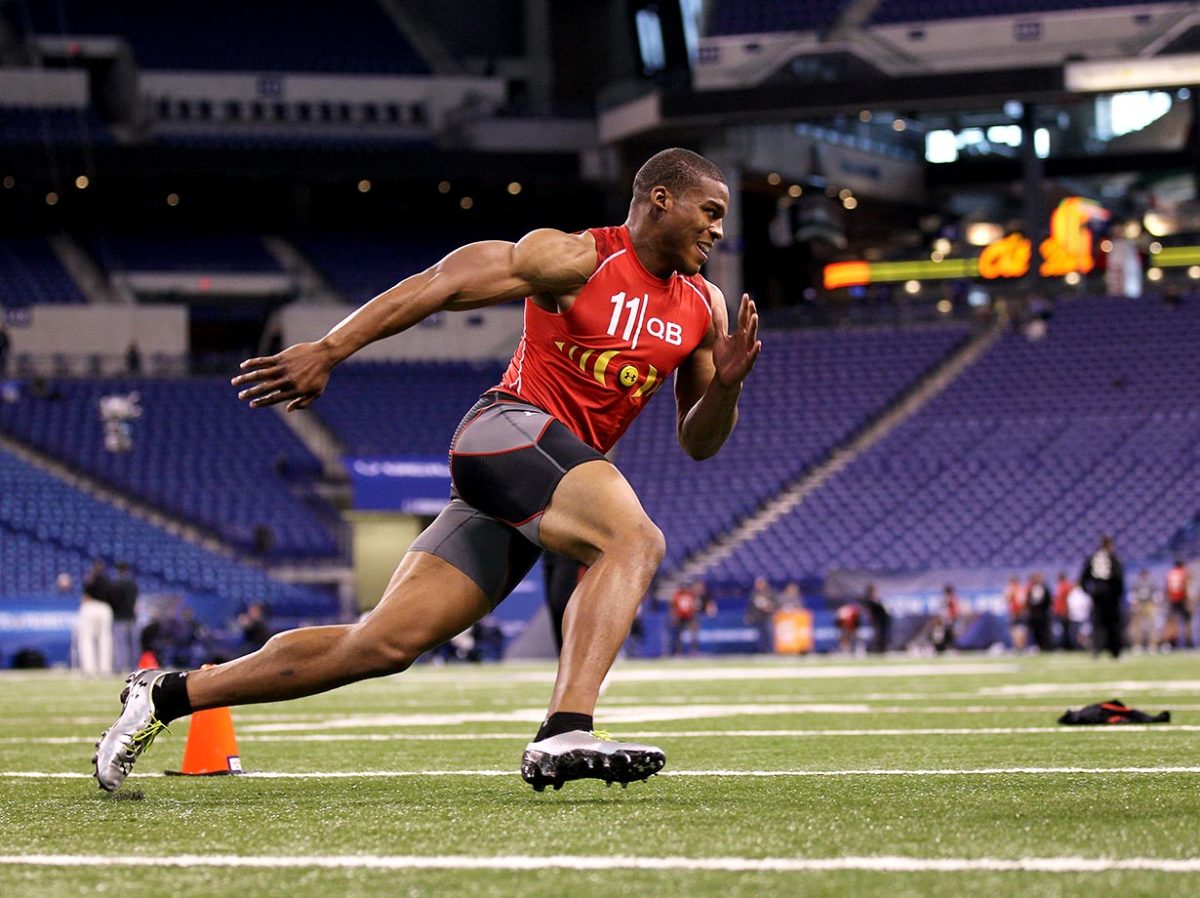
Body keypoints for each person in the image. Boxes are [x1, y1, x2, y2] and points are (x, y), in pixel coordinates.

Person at [93, 148, 760, 793]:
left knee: (381, 643)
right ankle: (566, 728)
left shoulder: (704, 308)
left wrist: (725, 389)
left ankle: (167, 693)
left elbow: (698, 442)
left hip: (539, 478)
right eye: (710, 209)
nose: (719, 228)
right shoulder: (577, 257)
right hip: (505, 432)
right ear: (660, 200)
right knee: (637, 538)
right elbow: (440, 283)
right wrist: (329, 349)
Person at [1080, 535, 1125, 659]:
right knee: (1113, 624)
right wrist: (1118, 593)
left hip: (1097, 595)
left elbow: (1083, 577)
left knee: (1097, 624)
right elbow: (1119, 577)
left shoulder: (1093, 557)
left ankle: (1096, 650)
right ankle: (1115, 651)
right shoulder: (1113, 558)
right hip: (1111, 596)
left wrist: (1089, 591)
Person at [76, 560, 113, 677]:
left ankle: (89, 669)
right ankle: (105, 668)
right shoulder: (108, 580)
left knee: (86, 639)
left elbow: (85, 596)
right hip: (105, 608)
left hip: (90, 607)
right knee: (105, 639)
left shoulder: (90, 579)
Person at [109, 562, 139, 673]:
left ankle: (119, 668)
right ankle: (133, 668)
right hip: (131, 617)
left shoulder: (116, 584)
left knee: (120, 645)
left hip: (119, 617)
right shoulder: (132, 584)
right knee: (133, 645)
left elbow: (113, 601)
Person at [1162, 558, 1192, 649]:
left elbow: (1166, 589)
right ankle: (1188, 643)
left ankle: (1170, 643)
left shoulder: (1169, 573)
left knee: (1171, 622)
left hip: (1171, 600)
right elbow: (1186, 587)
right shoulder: (1184, 573)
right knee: (1187, 622)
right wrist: (1188, 601)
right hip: (1182, 599)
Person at [668, 580, 703, 656]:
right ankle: (678, 652)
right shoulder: (677, 595)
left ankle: (694, 651)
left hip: (689, 616)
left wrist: (694, 615)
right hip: (680, 617)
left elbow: (694, 605)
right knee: (678, 635)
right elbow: (673, 606)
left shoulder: (691, 594)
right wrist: (674, 616)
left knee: (694, 633)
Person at [1129, 568, 1159, 653]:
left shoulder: (1152, 583)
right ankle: (1137, 645)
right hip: (1139, 604)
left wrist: (1155, 603)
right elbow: (1132, 594)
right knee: (1136, 626)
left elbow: (1156, 594)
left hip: (1149, 604)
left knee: (1152, 626)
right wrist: (1134, 603)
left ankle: (1152, 645)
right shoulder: (1136, 583)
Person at [744, 576, 777, 654]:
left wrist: (769, 607)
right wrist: (749, 615)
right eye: (757, 583)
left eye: (760, 583)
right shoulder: (754, 594)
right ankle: (762, 651)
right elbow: (750, 606)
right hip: (758, 617)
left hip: (768, 617)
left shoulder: (770, 593)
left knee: (769, 635)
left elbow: (776, 604)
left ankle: (771, 651)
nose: (758, 585)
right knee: (760, 636)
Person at [1024, 571, 1053, 652]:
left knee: (1044, 632)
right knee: (1035, 632)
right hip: (1034, 615)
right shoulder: (1031, 588)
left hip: (1043, 615)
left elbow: (1049, 601)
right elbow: (1029, 602)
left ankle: (1045, 647)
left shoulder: (1045, 588)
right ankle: (1037, 646)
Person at [861, 582, 890, 655]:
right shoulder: (869, 601)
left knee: (881, 635)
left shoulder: (877, 600)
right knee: (876, 635)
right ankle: (874, 649)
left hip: (883, 620)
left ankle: (881, 649)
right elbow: (870, 611)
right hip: (877, 620)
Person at [1004, 575, 1027, 652]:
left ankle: (1018, 647)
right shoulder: (1021, 588)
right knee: (1021, 630)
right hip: (1022, 612)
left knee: (1015, 631)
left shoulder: (1012, 589)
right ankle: (1022, 646)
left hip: (1015, 613)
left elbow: (1006, 599)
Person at [1052, 571, 1074, 650]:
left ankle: (1067, 646)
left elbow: (1068, 599)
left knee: (1066, 630)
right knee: (1063, 630)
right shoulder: (1060, 585)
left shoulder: (1066, 585)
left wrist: (1065, 610)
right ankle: (1064, 645)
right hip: (1060, 611)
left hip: (1064, 611)